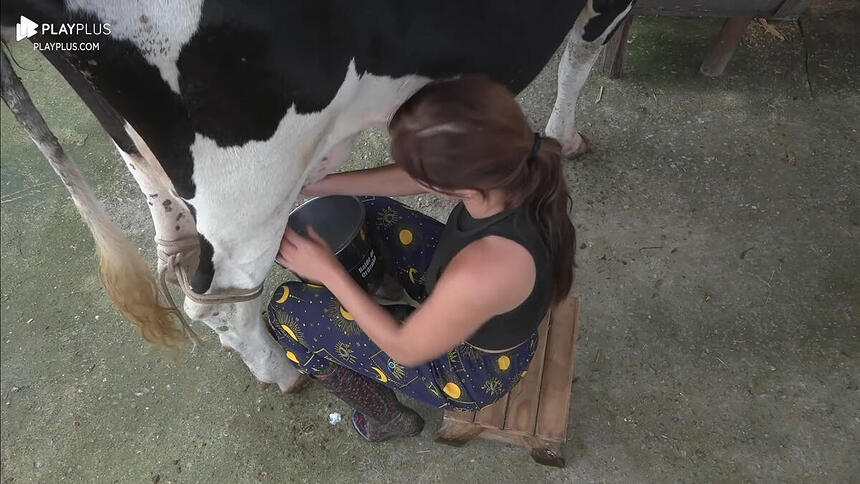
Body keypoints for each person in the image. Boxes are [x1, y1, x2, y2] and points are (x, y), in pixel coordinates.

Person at [267, 76, 575, 442]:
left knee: (285, 312)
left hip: (469, 368)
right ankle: (379, 301)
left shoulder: (487, 268)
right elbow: (416, 179)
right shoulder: (511, 166)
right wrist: (321, 184)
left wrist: (330, 273)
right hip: (467, 296)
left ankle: (386, 417)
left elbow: (406, 348)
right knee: (367, 213)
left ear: (456, 185)